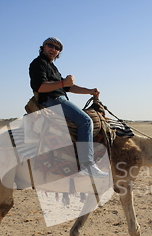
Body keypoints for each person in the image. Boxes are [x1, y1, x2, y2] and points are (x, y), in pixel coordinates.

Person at [29, 37, 107, 178]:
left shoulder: (52, 67)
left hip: (59, 99)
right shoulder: (38, 63)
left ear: (59, 53)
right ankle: (87, 164)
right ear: (44, 46)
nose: (53, 49)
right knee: (86, 121)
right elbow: (40, 87)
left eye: (57, 48)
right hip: (52, 100)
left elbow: (68, 87)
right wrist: (64, 82)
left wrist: (89, 91)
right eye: (50, 45)